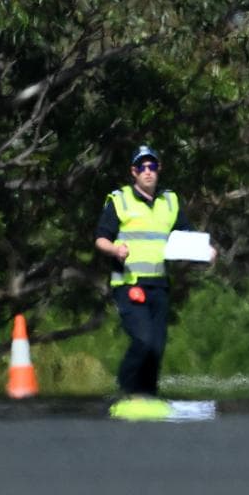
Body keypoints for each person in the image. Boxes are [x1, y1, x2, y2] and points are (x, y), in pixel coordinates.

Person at [94, 145, 215, 400]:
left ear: (158, 170)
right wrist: (116, 250)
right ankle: (125, 391)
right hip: (130, 284)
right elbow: (101, 239)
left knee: (157, 347)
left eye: (152, 166)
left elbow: (186, 233)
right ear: (133, 172)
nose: (147, 172)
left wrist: (206, 251)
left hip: (159, 285)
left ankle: (147, 395)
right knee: (143, 341)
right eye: (141, 167)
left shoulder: (169, 202)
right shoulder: (120, 200)